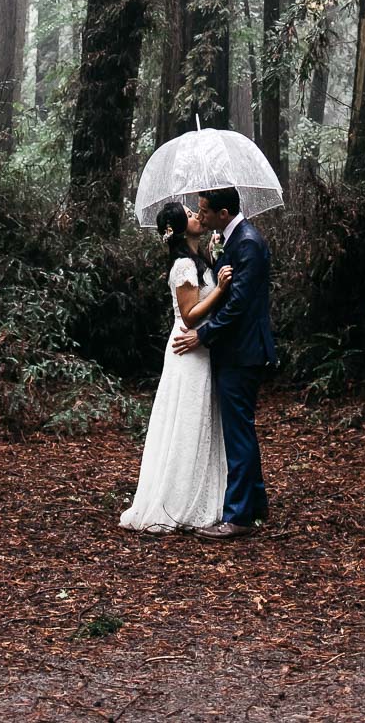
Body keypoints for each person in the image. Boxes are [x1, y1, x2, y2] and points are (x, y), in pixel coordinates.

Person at [119, 201, 232, 533]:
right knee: (187, 418)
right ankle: (177, 499)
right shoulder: (183, 265)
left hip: (201, 347)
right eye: (191, 214)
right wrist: (221, 288)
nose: (198, 215)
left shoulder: (197, 259)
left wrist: (215, 256)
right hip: (188, 348)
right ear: (181, 227)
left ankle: (205, 490)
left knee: (201, 418)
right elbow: (190, 315)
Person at [173, 186, 276, 539]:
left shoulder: (247, 243)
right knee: (241, 427)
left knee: (238, 432)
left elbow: (237, 306)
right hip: (236, 349)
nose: (199, 215)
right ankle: (256, 503)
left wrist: (202, 335)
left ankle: (238, 517)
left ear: (223, 213)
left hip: (243, 351)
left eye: (203, 210)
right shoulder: (230, 239)